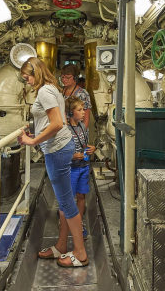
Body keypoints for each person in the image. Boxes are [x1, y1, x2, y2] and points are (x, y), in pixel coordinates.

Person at [17, 57, 89, 268]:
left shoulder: (44, 91)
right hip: (59, 147)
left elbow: (57, 123)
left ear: (35, 73)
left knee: (67, 203)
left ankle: (80, 253)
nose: (27, 81)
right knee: (63, 201)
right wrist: (38, 130)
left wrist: (33, 140)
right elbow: (53, 120)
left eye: (27, 77)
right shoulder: (52, 88)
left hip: (57, 149)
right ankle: (60, 246)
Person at [65, 96, 96, 239]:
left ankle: (79, 223)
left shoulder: (83, 126)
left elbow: (85, 144)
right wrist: (72, 156)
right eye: (80, 110)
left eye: (83, 109)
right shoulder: (65, 130)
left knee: (81, 196)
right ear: (71, 113)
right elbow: (61, 152)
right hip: (71, 169)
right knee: (68, 198)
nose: (84, 112)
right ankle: (66, 223)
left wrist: (91, 148)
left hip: (84, 167)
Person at [60, 64, 92, 128]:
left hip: (77, 130)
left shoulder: (82, 93)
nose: (64, 80)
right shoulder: (59, 91)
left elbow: (86, 118)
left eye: (67, 77)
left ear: (75, 78)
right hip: (62, 130)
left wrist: (81, 134)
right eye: (62, 77)